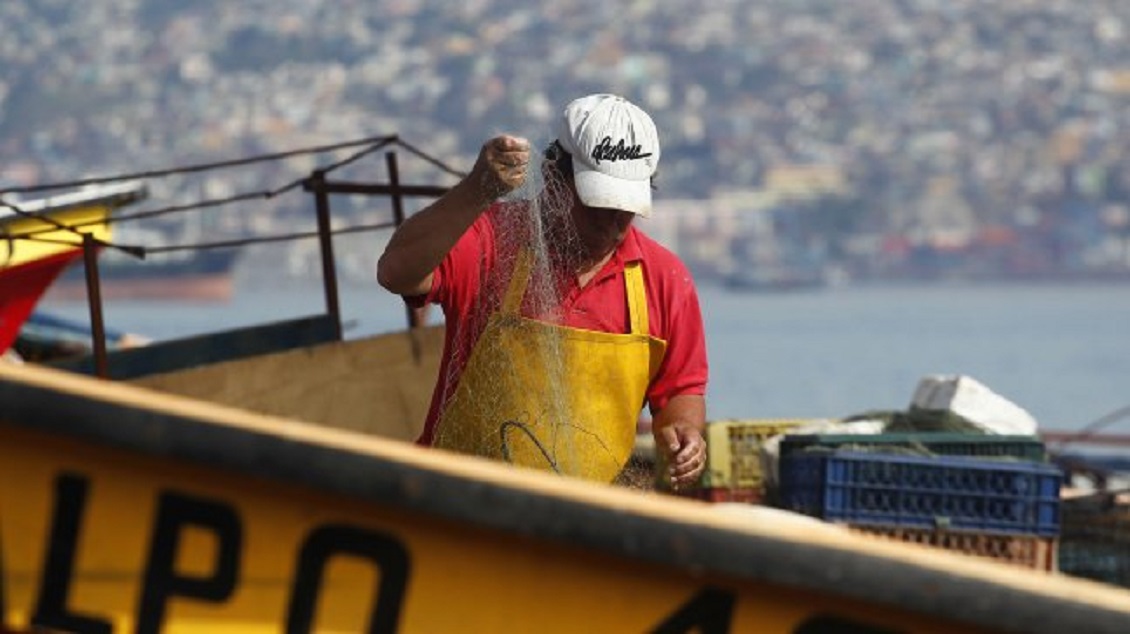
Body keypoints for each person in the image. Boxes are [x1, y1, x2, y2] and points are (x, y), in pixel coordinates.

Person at [377, 93, 707, 488]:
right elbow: (395, 273)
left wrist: (684, 432)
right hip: (454, 498)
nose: (611, 222)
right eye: (597, 205)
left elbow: (681, 389)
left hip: (581, 511)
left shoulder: (665, 278)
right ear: (554, 177)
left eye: (624, 209)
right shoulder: (493, 238)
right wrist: (475, 191)